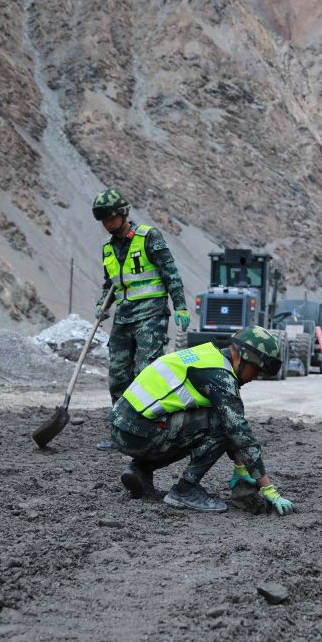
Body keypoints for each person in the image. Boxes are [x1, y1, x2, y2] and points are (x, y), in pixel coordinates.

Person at [108, 326, 295, 515]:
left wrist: (241, 468)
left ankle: (140, 469)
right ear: (244, 357)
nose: (254, 377)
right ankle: (185, 490)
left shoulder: (207, 355)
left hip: (123, 427)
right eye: (257, 370)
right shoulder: (219, 375)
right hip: (138, 433)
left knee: (212, 421)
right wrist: (268, 489)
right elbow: (239, 431)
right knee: (222, 424)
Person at [92, 188, 189, 450]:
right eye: (104, 220)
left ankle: (148, 431)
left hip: (151, 316)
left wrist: (180, 306)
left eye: (112, 217)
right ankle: (120, 434)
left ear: (124, 213)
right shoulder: (107, 248)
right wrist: (102, 303)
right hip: (123, 319)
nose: (108, 224)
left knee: (144, 373)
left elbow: (170, 272)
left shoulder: (148, 237)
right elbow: (110, 283)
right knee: (118, 376)